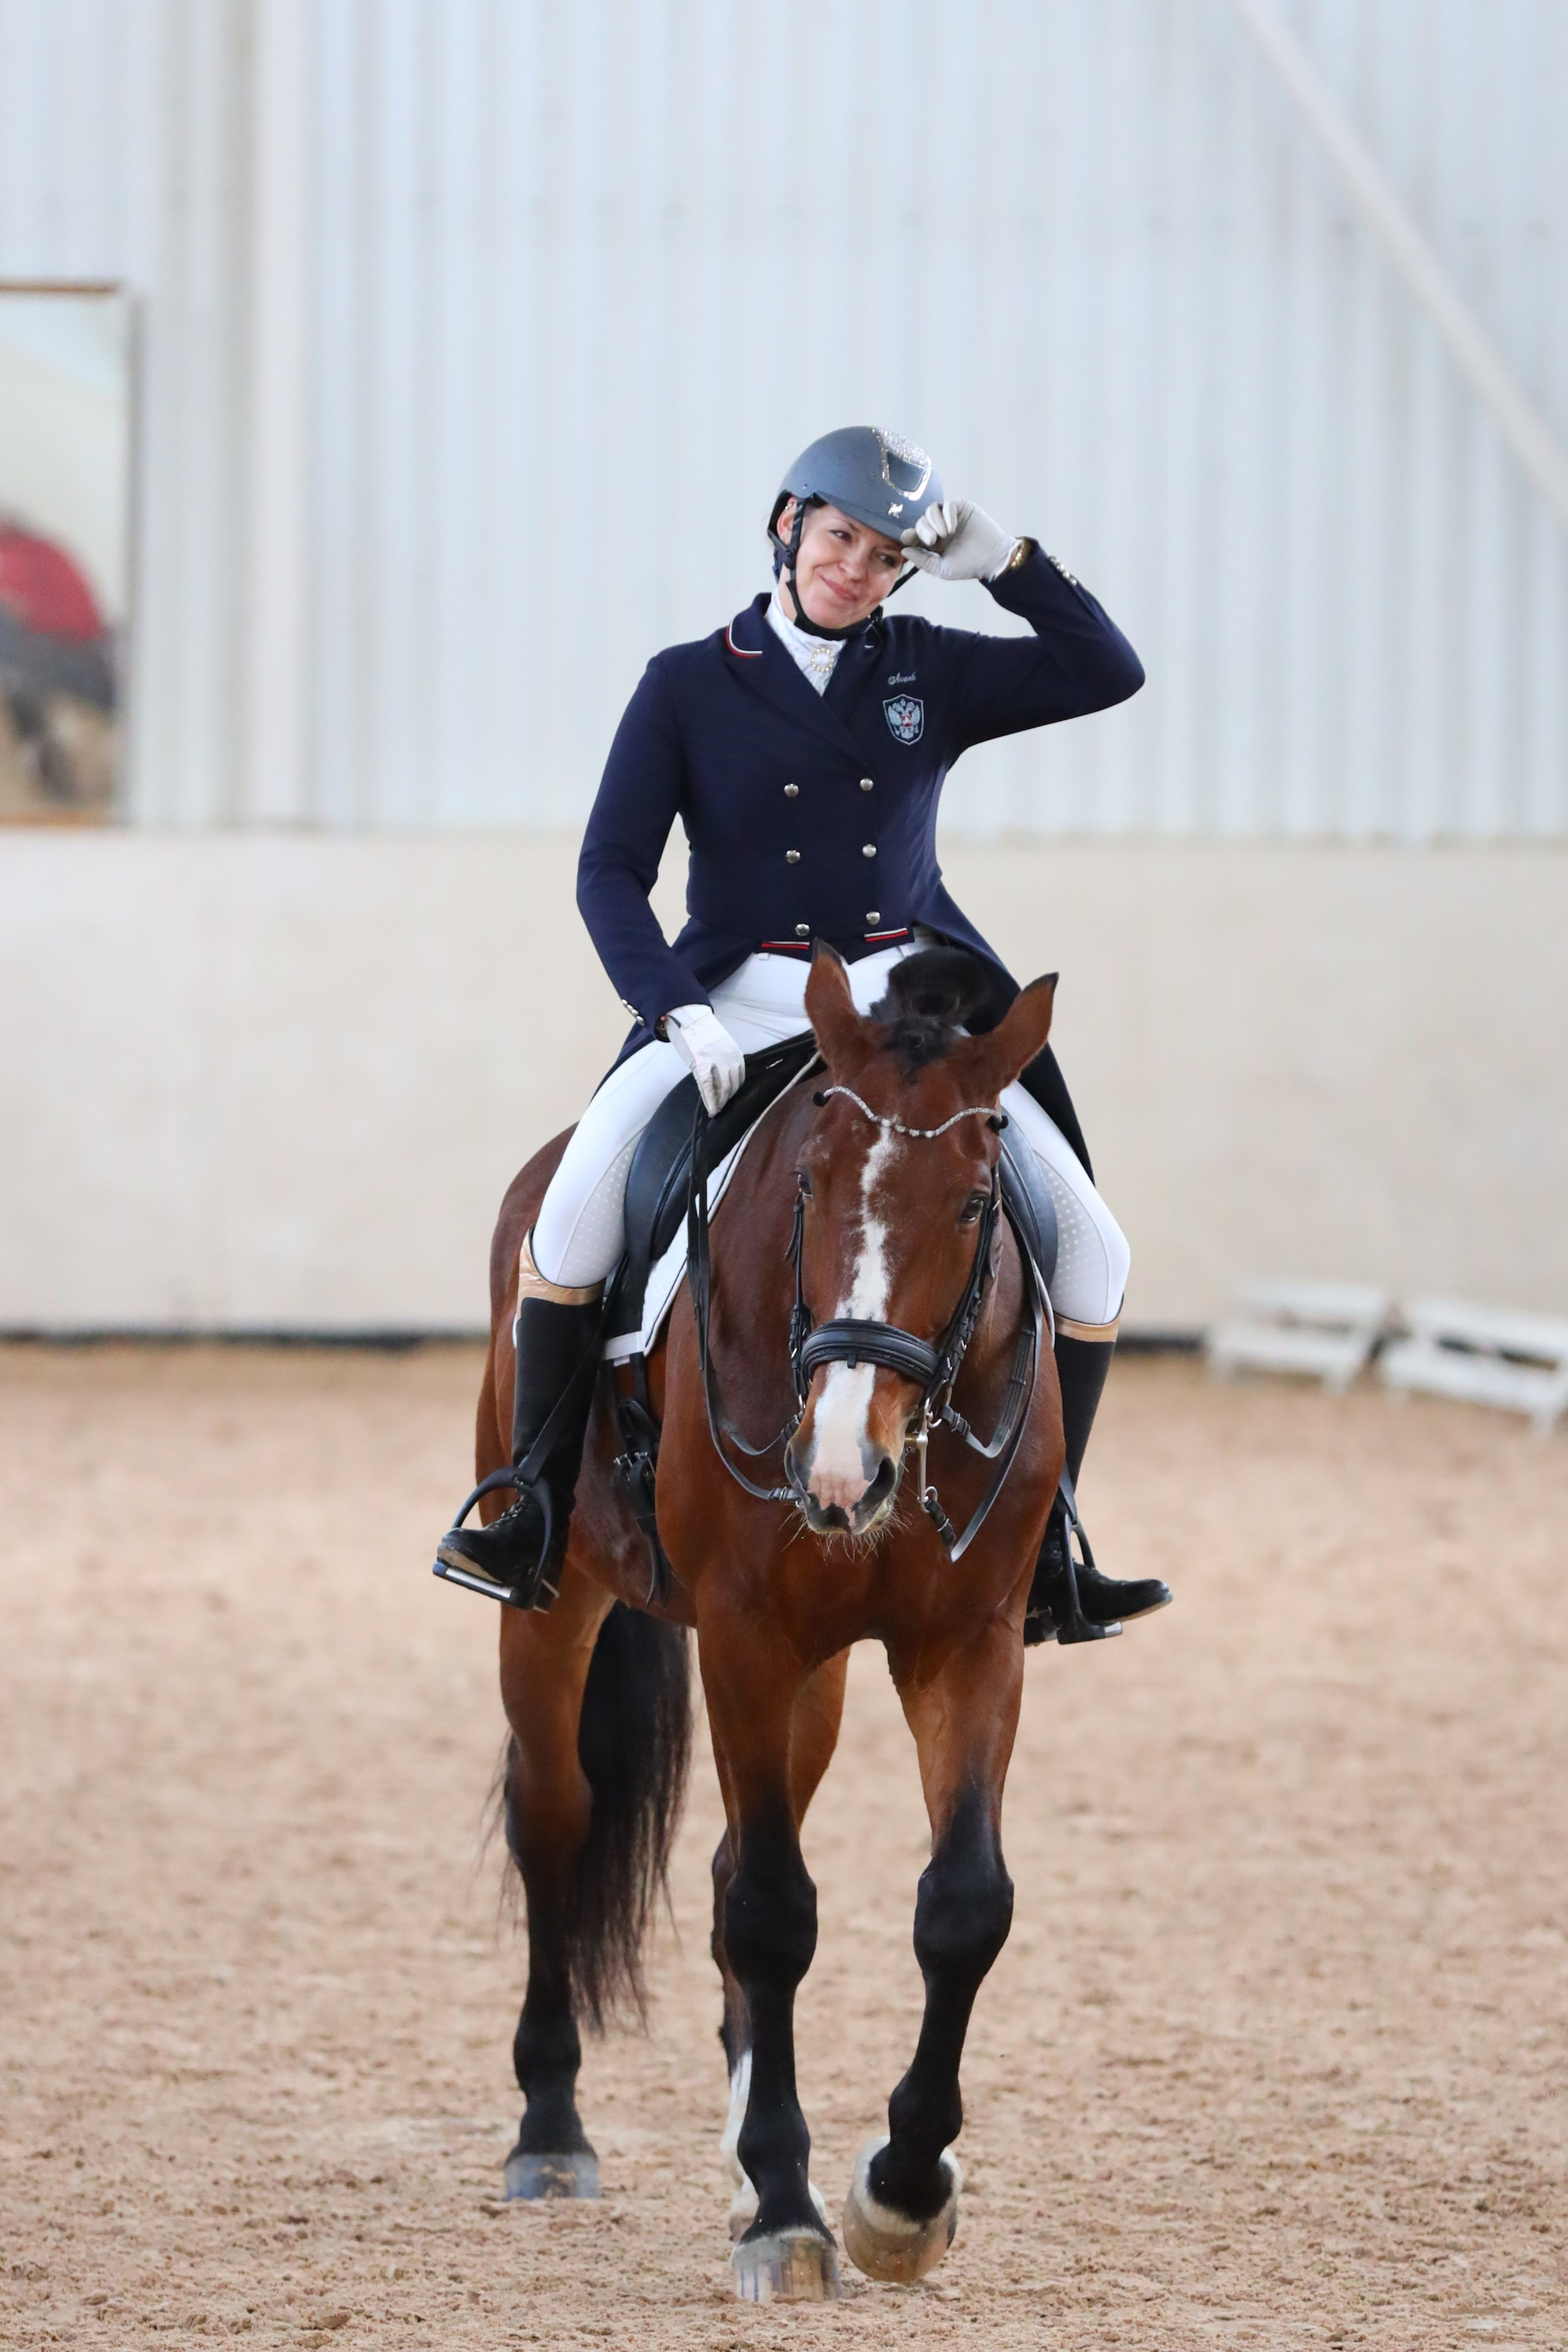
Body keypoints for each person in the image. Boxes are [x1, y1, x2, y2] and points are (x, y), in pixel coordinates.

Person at [438, 427, 1171, 1642]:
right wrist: (667, 1006)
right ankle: (524, 1512)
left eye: (886, 558)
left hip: (906, 1006)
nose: (856, 572)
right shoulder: (686, 680)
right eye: (840, 540)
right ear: (788, 526)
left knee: (1094, 1250)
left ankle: (1049, 1546)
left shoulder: (926, 666)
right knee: (565, 1226)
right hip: (728, 993)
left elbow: (1108, 671)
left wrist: (1004, 562)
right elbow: (611, 869)